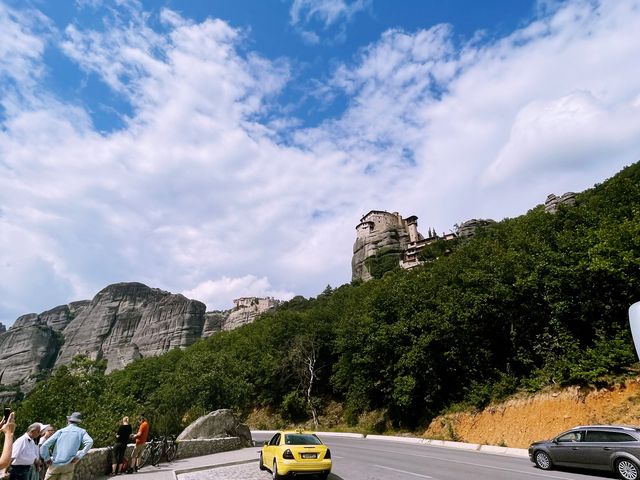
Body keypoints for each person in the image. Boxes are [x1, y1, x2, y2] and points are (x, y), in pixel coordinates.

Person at [39, 412, 92, 480]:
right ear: (78, 422)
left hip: (55, 464)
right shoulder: (82, 432)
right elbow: (90, 442)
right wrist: (79, 456)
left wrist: (47, 458)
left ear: (68, 421)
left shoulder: (61, 431)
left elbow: (44, 446)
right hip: (69, 464)